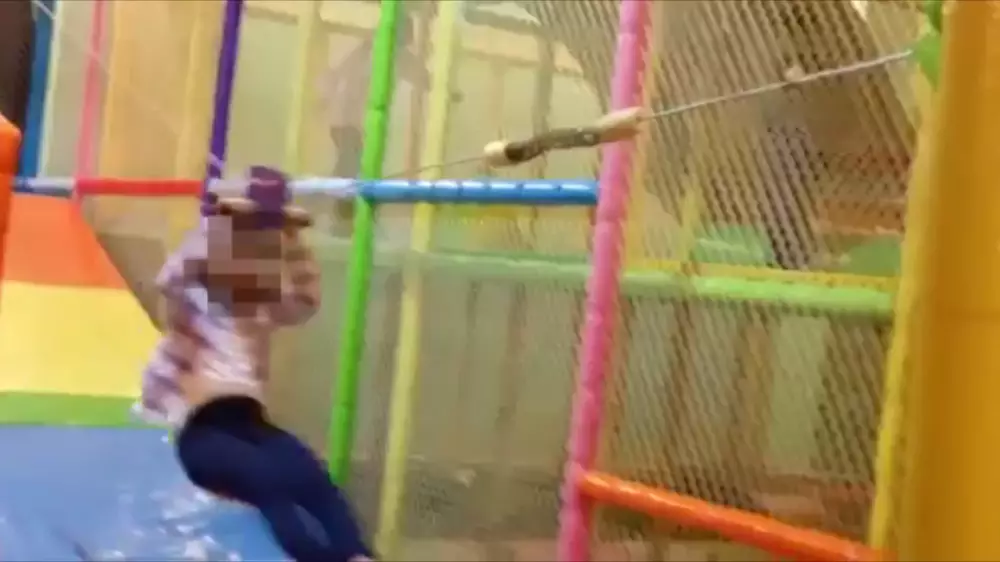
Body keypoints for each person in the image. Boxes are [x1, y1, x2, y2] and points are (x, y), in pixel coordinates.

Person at [133, 166, 372, 562]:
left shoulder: (260, 313)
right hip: (202, 437)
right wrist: (221, 223)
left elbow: (305, 300)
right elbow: (171, 278)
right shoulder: (193, 310)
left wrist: (293, 242)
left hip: (252, 426)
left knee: (312, 477)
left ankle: (357, 555)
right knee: (268, 479)